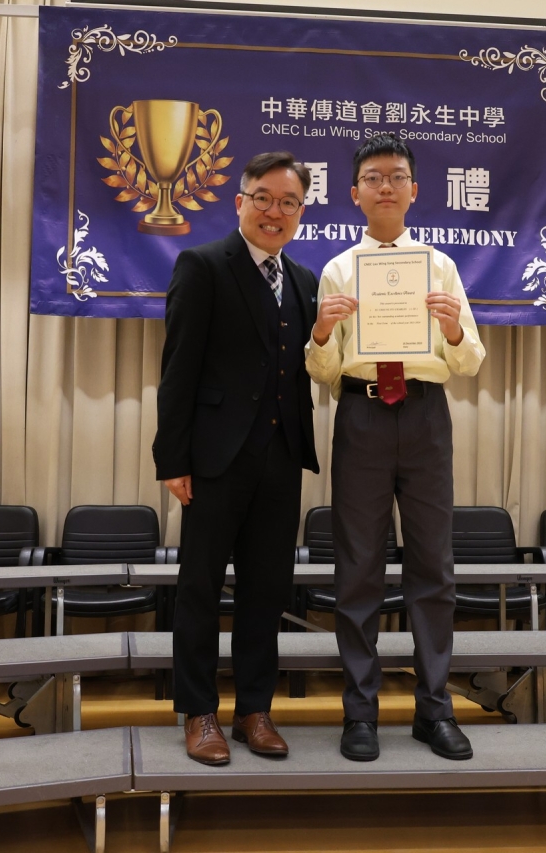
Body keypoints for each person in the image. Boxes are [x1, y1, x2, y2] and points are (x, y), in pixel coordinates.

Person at [306, 134, 485, 762]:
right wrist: (322, 332)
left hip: (426, 415)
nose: (386, 186)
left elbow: (469, 361)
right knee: (357, 567)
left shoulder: (440, 267)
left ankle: (435, 710)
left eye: (397, 176)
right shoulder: (336, 269)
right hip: (361, 415)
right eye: (374, 177)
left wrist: (453, 328)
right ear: (354, 193)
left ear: (415, 190)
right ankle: (360, 714)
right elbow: (324, 371)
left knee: (433, 565)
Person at [153, 152, 319, 765]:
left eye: (289, 202)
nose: (275, 211)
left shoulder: (304, 280)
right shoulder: (202, 265)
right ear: (240, 202)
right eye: (264, 198)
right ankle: (199, 713)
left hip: (280, 458)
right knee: (199, 588)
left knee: (266, 590)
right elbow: (178, 369)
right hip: (213, 459)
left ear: (300, 212)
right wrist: (172, 459)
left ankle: (254, 710)